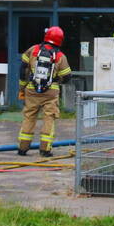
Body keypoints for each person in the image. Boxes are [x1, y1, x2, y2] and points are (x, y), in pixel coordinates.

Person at [17, 26, 72, 157]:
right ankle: (45, 150)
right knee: (49, 118)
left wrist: (22, 88)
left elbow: (23, 69)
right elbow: (68, 76)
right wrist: (57, 82)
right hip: (51, 92)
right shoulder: (60, 56)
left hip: (32, 89)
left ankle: (22, 148)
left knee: (29, 117)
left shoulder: (33, 50)